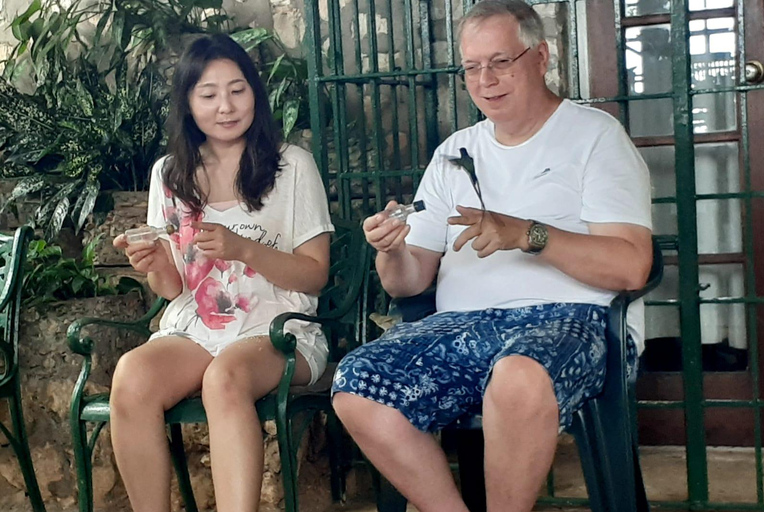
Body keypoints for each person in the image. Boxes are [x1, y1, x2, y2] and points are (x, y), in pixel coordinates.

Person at [331, 1, 653, 511]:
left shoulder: (594, 137)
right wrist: (390, 252)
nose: (486, 80)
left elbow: (632, 265)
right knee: (358, 382)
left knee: (519, 374)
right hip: (459, 326)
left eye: (501, 61)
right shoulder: (453, 153)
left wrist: (529, 234)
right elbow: (409, 283)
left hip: (573, 321)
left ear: (542, 56)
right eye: (472, 67)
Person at [110, 33, 334, 512]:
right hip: (198, 327)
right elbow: (173, 288)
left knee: (224, 377)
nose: (226, 106)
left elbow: (315, 276)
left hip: (281, 327)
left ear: (255, 92)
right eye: (208, 95)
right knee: (131, 375)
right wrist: (153, 264)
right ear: (188, 104)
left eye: (237, 90)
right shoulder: (169, 173)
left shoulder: (292, 166)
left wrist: (243, 249)